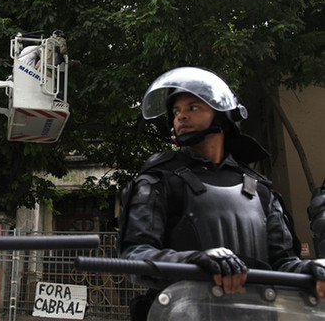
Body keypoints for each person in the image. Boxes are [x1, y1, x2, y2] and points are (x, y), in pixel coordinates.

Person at [118, 67, 325, 319]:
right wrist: (196, 260)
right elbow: (135, 257)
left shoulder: (258, 187)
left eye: (193, 108)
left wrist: (311, 270)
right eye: (176, 111)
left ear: (223, 116)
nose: (181, 117)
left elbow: (282, 262)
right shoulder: (159, 180)